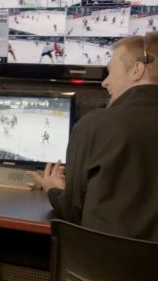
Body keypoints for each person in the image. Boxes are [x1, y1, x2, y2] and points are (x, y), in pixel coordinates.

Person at [28, 33, 158, 241]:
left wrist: (53, 188)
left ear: (137, 71)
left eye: (110, 72)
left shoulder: (94, 125)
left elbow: (73, 210)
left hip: (105, 267)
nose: (104, 83)